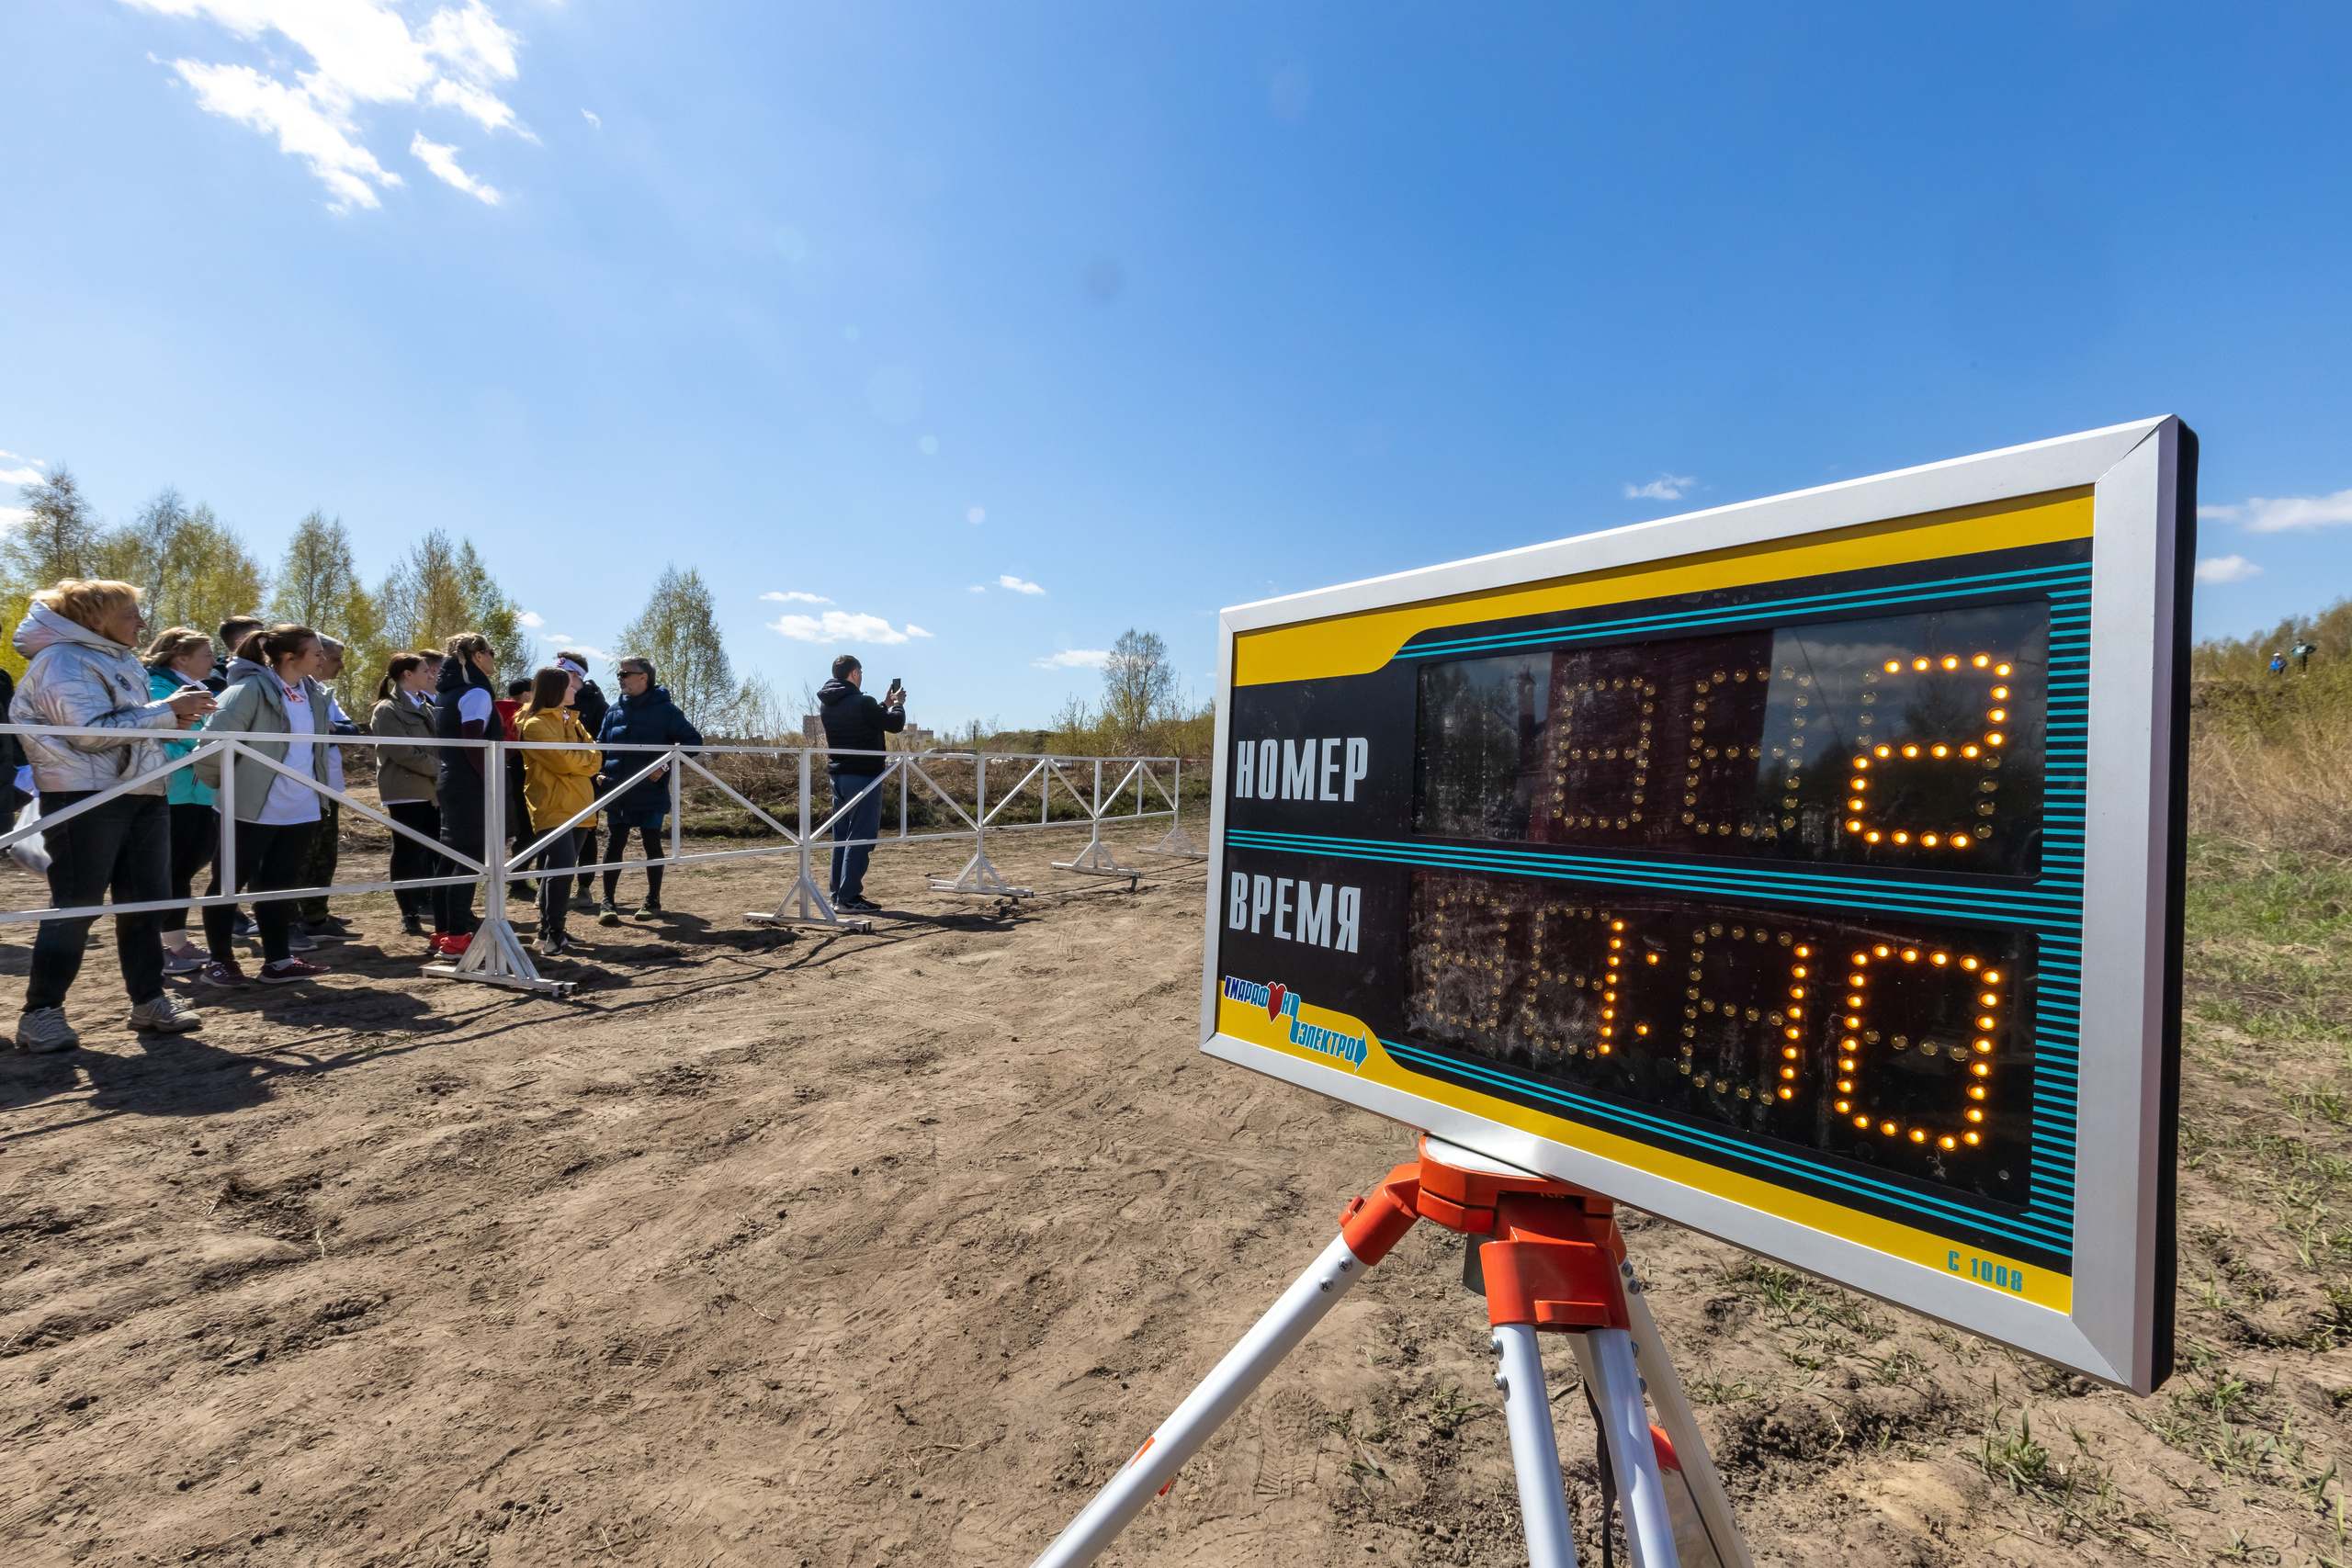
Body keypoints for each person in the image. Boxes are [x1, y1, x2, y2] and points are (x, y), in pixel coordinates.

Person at [8, 580, 212, 1050]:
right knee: (76, 905)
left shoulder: (116, 660)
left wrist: (173, 719)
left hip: (142, 790)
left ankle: (149, 999)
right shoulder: (62, 660)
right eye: (130, 614)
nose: (142, 622)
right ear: (94, 619)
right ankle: (41, 1013)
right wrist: (166, 711)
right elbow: (88, 735)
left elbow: (127, 725)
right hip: (87, 795)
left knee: (145, 902)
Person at [191, 626, 337, 987]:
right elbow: (210, 746)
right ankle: (220, 961)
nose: (323, 659)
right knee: (229, 882)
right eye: (316, 653)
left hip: (301, 807)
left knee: (279, 885)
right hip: (249, 806)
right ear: (290, 657)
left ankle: (278, 961)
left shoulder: (315, 694)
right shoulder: (249, 690)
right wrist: (233, 788)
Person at [594, 656, 702, 924]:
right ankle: (608, 902)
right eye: (619, 674)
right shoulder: (613, 710)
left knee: (651, 843)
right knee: (614, 843)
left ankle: (653, 900)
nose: (620, 678)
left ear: (644, 677)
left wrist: (665, 767)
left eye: (625, 674)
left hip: (650, 790)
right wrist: (597, 770)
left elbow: (693, 741)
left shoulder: (666, 710)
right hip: (616, 787)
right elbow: (600, 742)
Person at [143, 626, 221, 975]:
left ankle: (175, 942)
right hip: (174, 792)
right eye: (206, 654)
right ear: (181, 658)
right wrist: (211, 747)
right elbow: (171, 737)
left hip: (200, 791)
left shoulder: (204, 689)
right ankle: (161, 947)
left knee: (187, 866)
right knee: (171, 869)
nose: (214, 660)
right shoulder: (159, 689)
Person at [516, 666, 599, 955]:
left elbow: (596, 756)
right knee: (562, 867)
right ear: (555, 690)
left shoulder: (572, 721)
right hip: (551, 805)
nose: (575, 690)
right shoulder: (534, 724)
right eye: (569, 685)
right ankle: (555, 933)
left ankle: (548, 931)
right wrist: (581, 764)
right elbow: (563, 763)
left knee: (559, 868)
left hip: (580, 803)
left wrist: (578, 763)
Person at [816, 654, 906, 913]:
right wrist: (897, 704)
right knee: (861, 836)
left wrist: (883, 705)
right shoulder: (862, 702)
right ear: (854, 674)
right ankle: (849, 897)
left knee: (841, 837)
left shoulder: (828, 704)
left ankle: (838, 895)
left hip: (838, 776)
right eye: (861, 672)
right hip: (864, 776)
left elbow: (863, 719)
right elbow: (895, 725)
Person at [432, 632, 503, 955]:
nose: (493, 658)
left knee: (451, 859)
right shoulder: (476, 693)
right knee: (470, 861)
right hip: (470, 785)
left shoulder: (447, 693)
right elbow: (473, 741)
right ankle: (458, 938)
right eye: (491, 652)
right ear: (477, 656)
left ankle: (443, 932)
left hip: (451, 780)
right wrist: (491, 780)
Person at [371, 651, 448, 942]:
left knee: (440, 850)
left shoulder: (427, 706)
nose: (431, 675)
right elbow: (402, 752)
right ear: (407, 675)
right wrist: (439, 769)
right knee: (406, 851)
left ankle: (445, 913)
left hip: (432, 790)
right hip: (406, 791)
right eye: (425, 670)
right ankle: (409, 913)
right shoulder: (387, 709)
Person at [293, 635, 362, 938]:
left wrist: (328, 727)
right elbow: (305, 731)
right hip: (302, 785)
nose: (339, 666)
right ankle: (295, 917)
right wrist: (326, 728)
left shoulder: (323, 693)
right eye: (333, 658)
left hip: (328, 785)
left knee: (325, 852)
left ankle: (316, 914)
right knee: (301, 854)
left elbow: (352, 730)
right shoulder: (294, 692)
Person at [556, 652, 608, 908]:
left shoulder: (597, 705)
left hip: (586, 779)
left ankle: (584, 887)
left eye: (563, 673)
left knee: (585, 831)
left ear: (576, 675)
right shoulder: (551, 701)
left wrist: (594, 772)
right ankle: (549, 885)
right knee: (553, 832)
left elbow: (602, 746)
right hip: (556, 778)